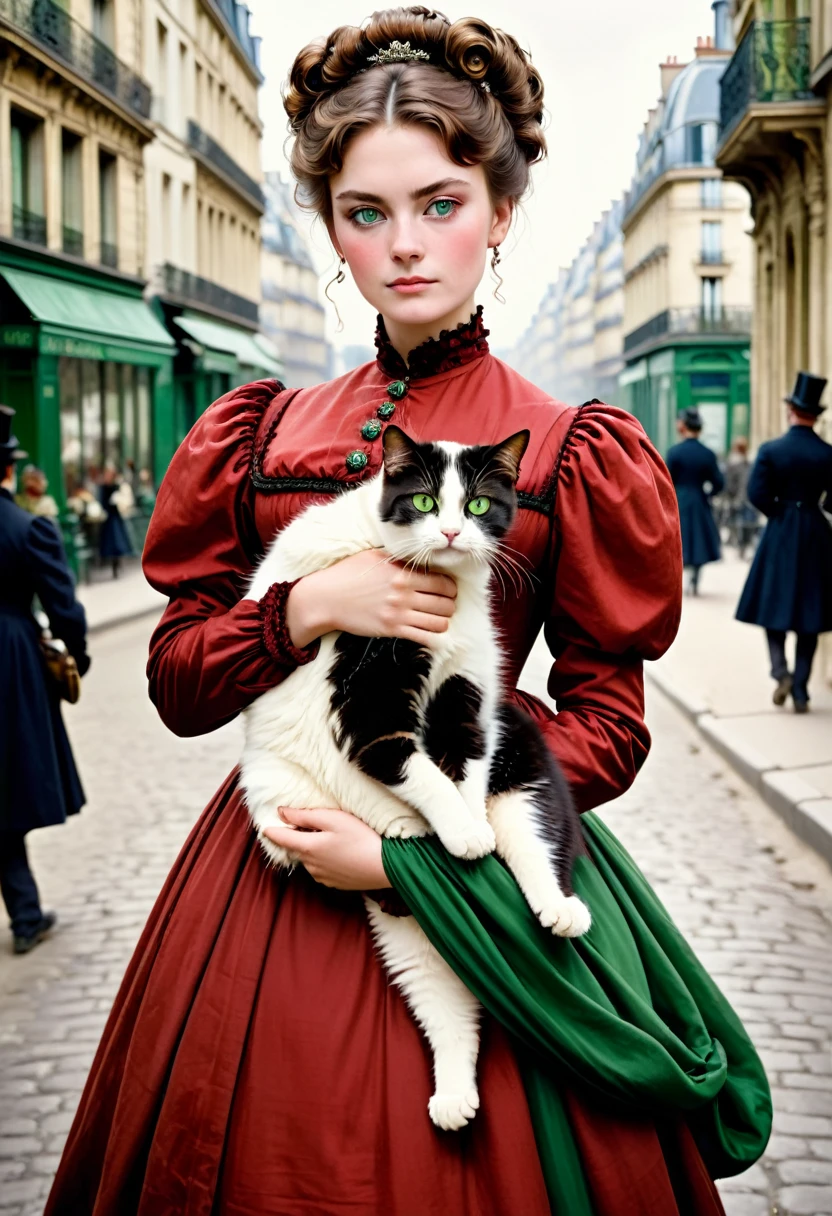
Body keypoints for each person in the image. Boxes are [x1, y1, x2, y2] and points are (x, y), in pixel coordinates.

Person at [46, 11, 769, 1214]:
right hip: (269, 872)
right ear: (330, 223)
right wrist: (303, 610)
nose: (405, 247)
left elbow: (608, 717)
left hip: (470, 862)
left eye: (441, 203)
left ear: (500, 205)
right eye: (364, 213)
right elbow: (177, 682)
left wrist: (414, 850)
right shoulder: (264, 433)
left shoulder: (565, 446)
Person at [0, 406, 90, 954]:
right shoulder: (29, 528)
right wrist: (75, 656)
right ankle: (27, 916)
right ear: (7, 470)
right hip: (9, 660)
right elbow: (64, 608)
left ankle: (28, 912)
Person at [736, 372, 832, 713]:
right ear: (815, 415)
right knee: (811, 615)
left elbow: (755, 493)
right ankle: (802, 691)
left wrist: (779, 511)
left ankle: (781, 673)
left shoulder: (772, 450)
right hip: (817, 534)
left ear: (792, 410)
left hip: (780, 531)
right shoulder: (828, 453)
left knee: (771, 608)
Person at [666, 407, 724, 595]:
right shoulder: (707, 453)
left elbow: (666, 480)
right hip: (699, 499)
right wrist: (708, 495)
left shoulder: (675, 452)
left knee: (678, 540)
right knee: (698, 540)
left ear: (683, 427)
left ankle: (679, 579)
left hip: (680, 500)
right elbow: (718, 482)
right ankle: (695, 578)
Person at [96, 464, 134, 578]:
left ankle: (117, 565)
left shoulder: (117, 486)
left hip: (116, 518)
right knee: (110, 544)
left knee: (118, 543)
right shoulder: (103, 487)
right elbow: (102, 502)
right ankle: (113, 566)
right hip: (109, 518)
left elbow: (124, 499)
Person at [723, 436, 758, 558]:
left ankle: (740, 546)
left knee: (739, 523)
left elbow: (729, 484)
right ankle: (743, 546)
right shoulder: (749, 463)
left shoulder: (733, 463)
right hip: (748, 499)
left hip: (738, 499)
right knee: (746, 524)